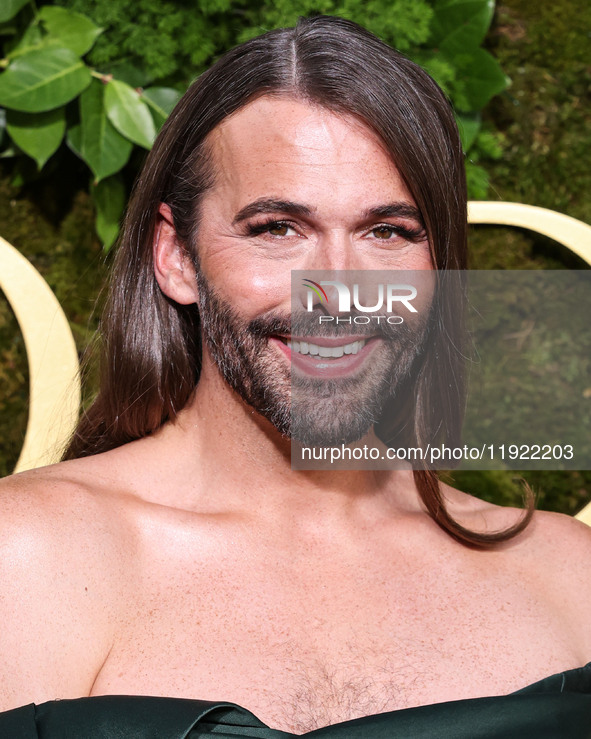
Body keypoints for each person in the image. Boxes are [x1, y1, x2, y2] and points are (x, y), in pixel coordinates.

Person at [0, 15, 590, 738]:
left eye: (388, 231)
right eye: (277, 227)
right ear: (176, 257)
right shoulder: (25, 557)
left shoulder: (567, 577)